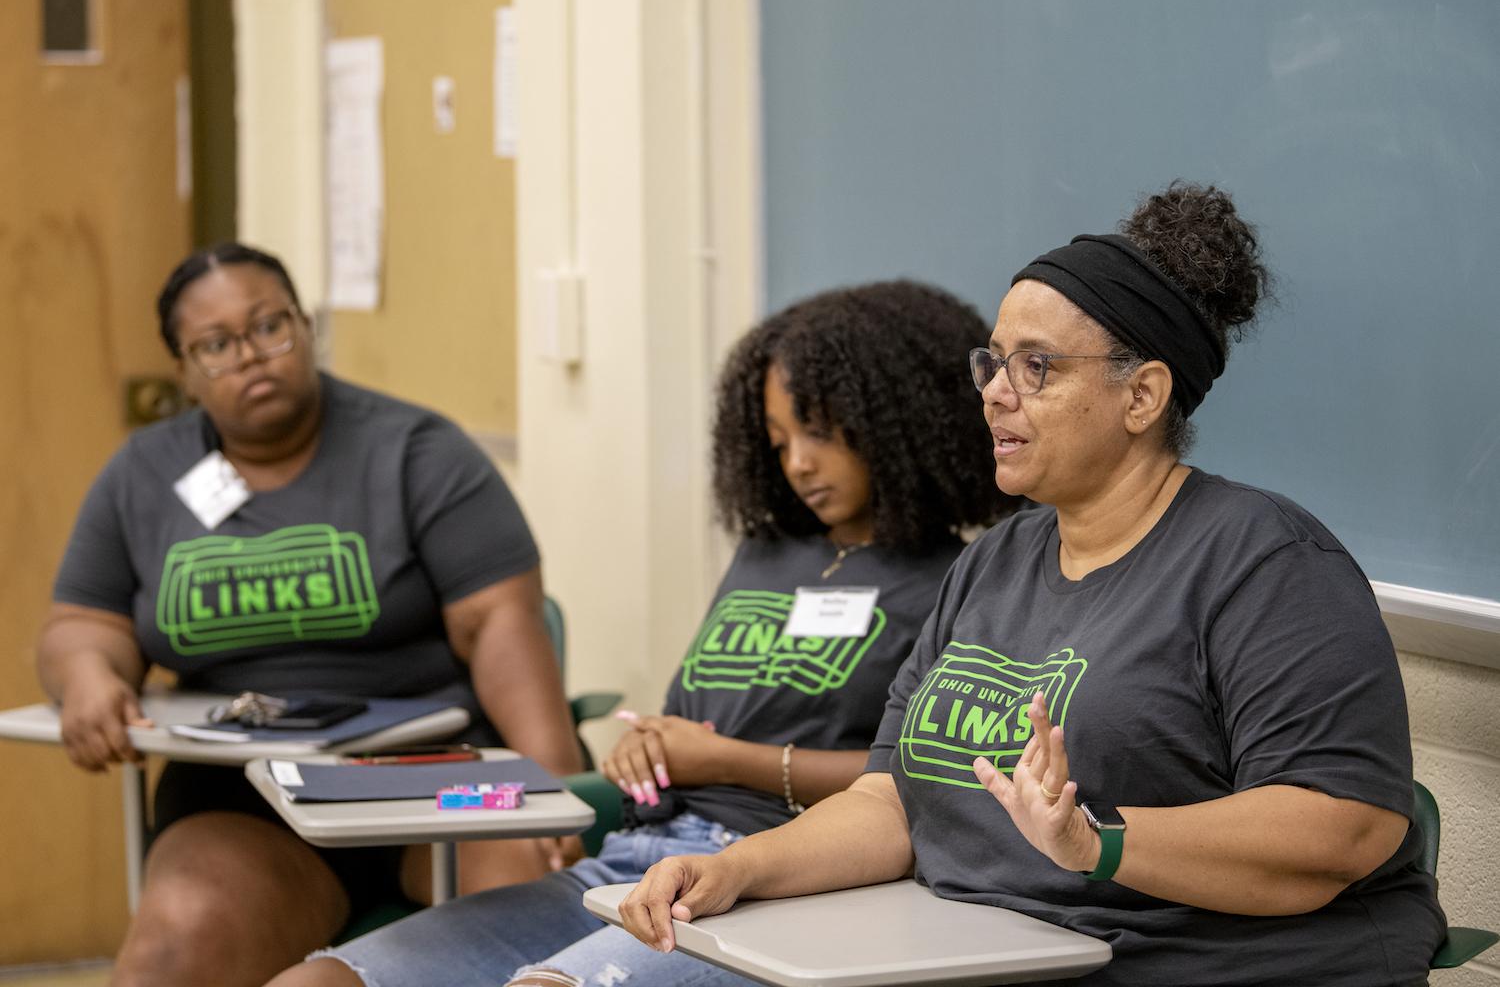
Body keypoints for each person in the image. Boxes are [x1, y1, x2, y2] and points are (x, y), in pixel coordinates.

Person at [618, 183, 1447, 986]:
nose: (993, 393)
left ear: (1142, 396)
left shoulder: (1266, 563)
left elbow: (1340, 830)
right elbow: (891, 803)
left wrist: (1096, 842)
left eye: (1037, 367)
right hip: (967, 956)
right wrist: (739, 869)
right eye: (992, 363)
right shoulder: (994, 562)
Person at [266, 279, 1014, 987]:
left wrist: (726, 760)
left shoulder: (955, 580)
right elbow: (702, 718)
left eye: (818, 433)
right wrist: (648, 748)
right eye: (778, 439)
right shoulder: (765, 556)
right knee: (320, 979)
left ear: (895, 421)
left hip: (774, 882)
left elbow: (917, 787)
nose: (798, 464)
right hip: (635, 859)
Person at [38, 243, 585, 987]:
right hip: (245, 798)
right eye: (217, 345)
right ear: (184, 370)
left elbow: (500, 623)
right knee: (175, 945)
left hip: (434, 782)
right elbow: (85, 622)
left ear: (305, 326)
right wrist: (87, 675)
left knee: (536, 919)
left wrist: (552, 789)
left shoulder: (415, 451)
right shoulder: (142, 473)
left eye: (270, 327)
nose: (250, 356)